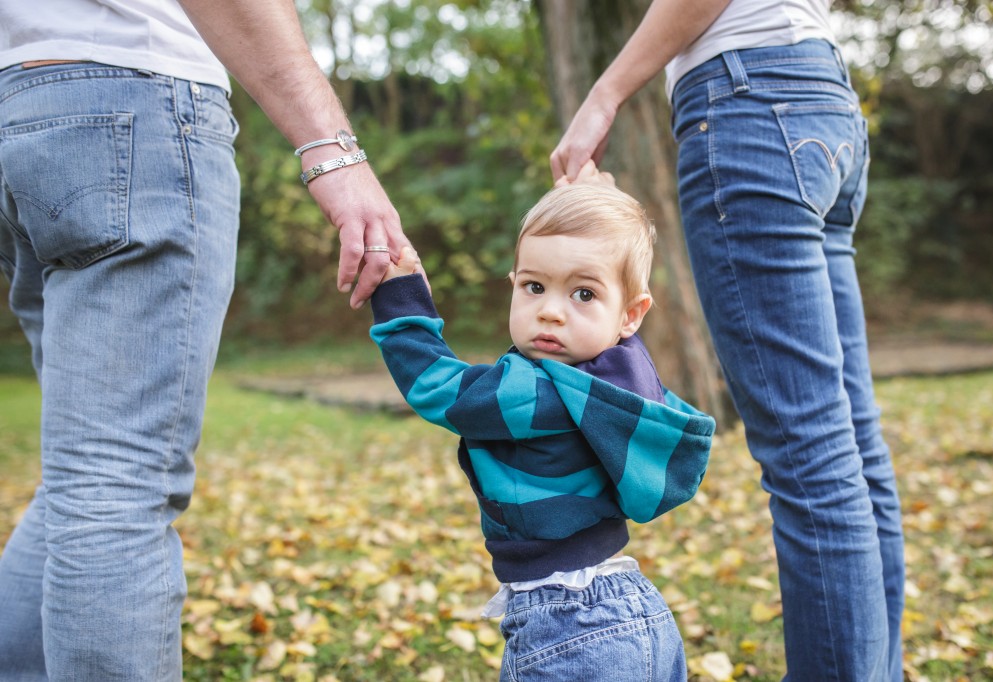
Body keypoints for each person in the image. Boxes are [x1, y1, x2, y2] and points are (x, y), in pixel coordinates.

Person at [0, 1, 413, 678]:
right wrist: (334, 154)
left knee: (83, 480)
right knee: (115, 482)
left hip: (21, 108)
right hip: (133, 98)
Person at [549, 1, 906, 680]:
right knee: (852, 447)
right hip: (823, 97)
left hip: (749, 103)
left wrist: (606, 92)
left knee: (813, 456)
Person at [368, 172, 716, 681]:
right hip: (638, 611)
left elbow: (435, 386)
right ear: (513, 285)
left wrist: (401, 294)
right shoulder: (626, 382)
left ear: (631, 314)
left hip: (567, 628)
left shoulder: (532, 393)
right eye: (535, 286)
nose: (550, 311)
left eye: (583, 294)